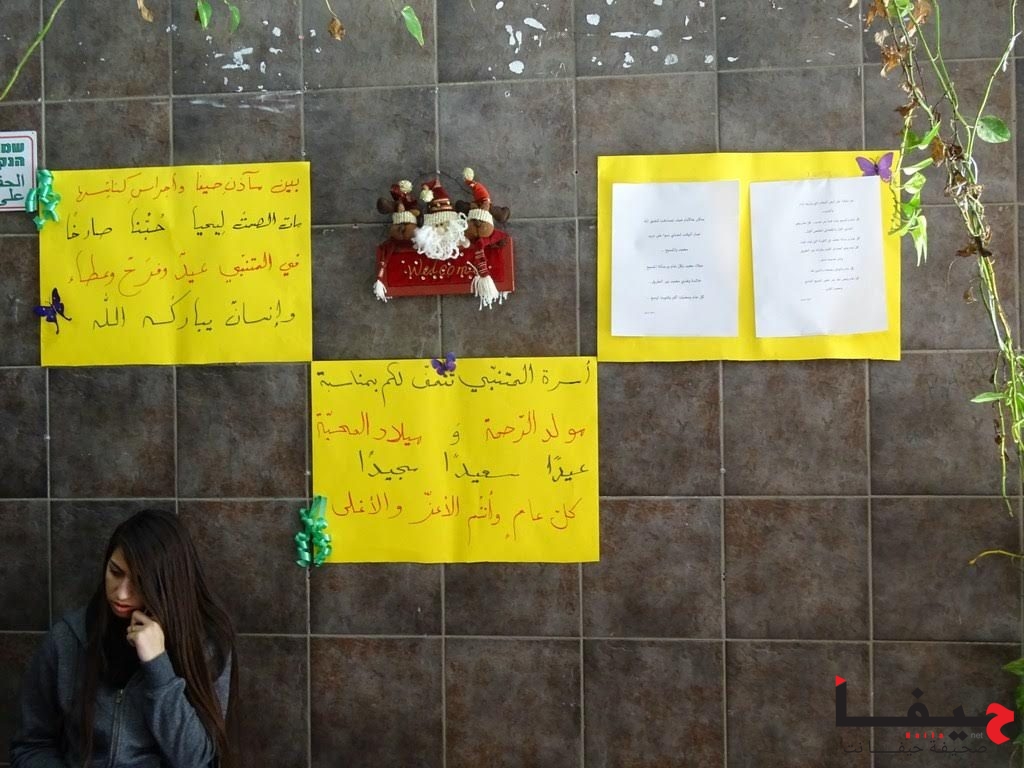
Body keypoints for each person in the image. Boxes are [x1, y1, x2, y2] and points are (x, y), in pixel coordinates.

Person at [10, 509, 238, 767]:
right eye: (115, 572)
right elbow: (31, 745)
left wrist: (158, 665)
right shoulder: (66, 640)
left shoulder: (205, 646)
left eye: (140, 582)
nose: (121, 593)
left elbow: (197, 761)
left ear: (166, 584)